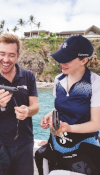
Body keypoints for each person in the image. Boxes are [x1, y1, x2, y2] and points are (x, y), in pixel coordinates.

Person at [0, 33, 40, 175]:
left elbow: (35, 106)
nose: (6, 60)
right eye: (2, 54)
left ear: (18, 56)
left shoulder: (28, 76)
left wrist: (28, 111)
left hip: (25, 143)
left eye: (11, 55)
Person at [39, 35, 100, 174]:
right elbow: (59, 108)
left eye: (67, 59)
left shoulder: (95, 83)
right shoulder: (58, 80)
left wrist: (69, 128)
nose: (62, 62)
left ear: (83, 60)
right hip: (58, 145)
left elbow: (96, 124)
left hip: (84, 148)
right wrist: (49, 116)